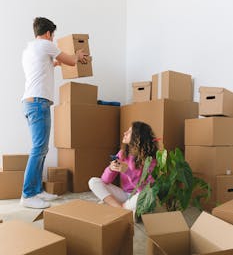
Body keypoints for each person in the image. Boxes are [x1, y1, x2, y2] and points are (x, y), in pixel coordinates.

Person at [20, 17, 88, 209]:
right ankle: (28, 194)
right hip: (38, 103)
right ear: (48, 33)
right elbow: (71, 61)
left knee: (41, 149)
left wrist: (57, 63)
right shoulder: (44, 45)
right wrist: (78, 54)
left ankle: (36, 191)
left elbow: (49, 66)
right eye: (53, 35)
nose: (53, 39)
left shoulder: (30, 49)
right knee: (38, 149)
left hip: (33, 103)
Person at [88, 121, 158, 211]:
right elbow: (105, 181)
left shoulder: (150, 160)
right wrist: (111, 169)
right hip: (124, 194)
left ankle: (121, 208)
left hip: (138, 196)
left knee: (147, 193)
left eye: (129, 132)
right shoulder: (122, 153)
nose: (125, 133)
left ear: (138, 137)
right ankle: (121, 209)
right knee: (93, 181)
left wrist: (128, 172)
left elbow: (145, 189)